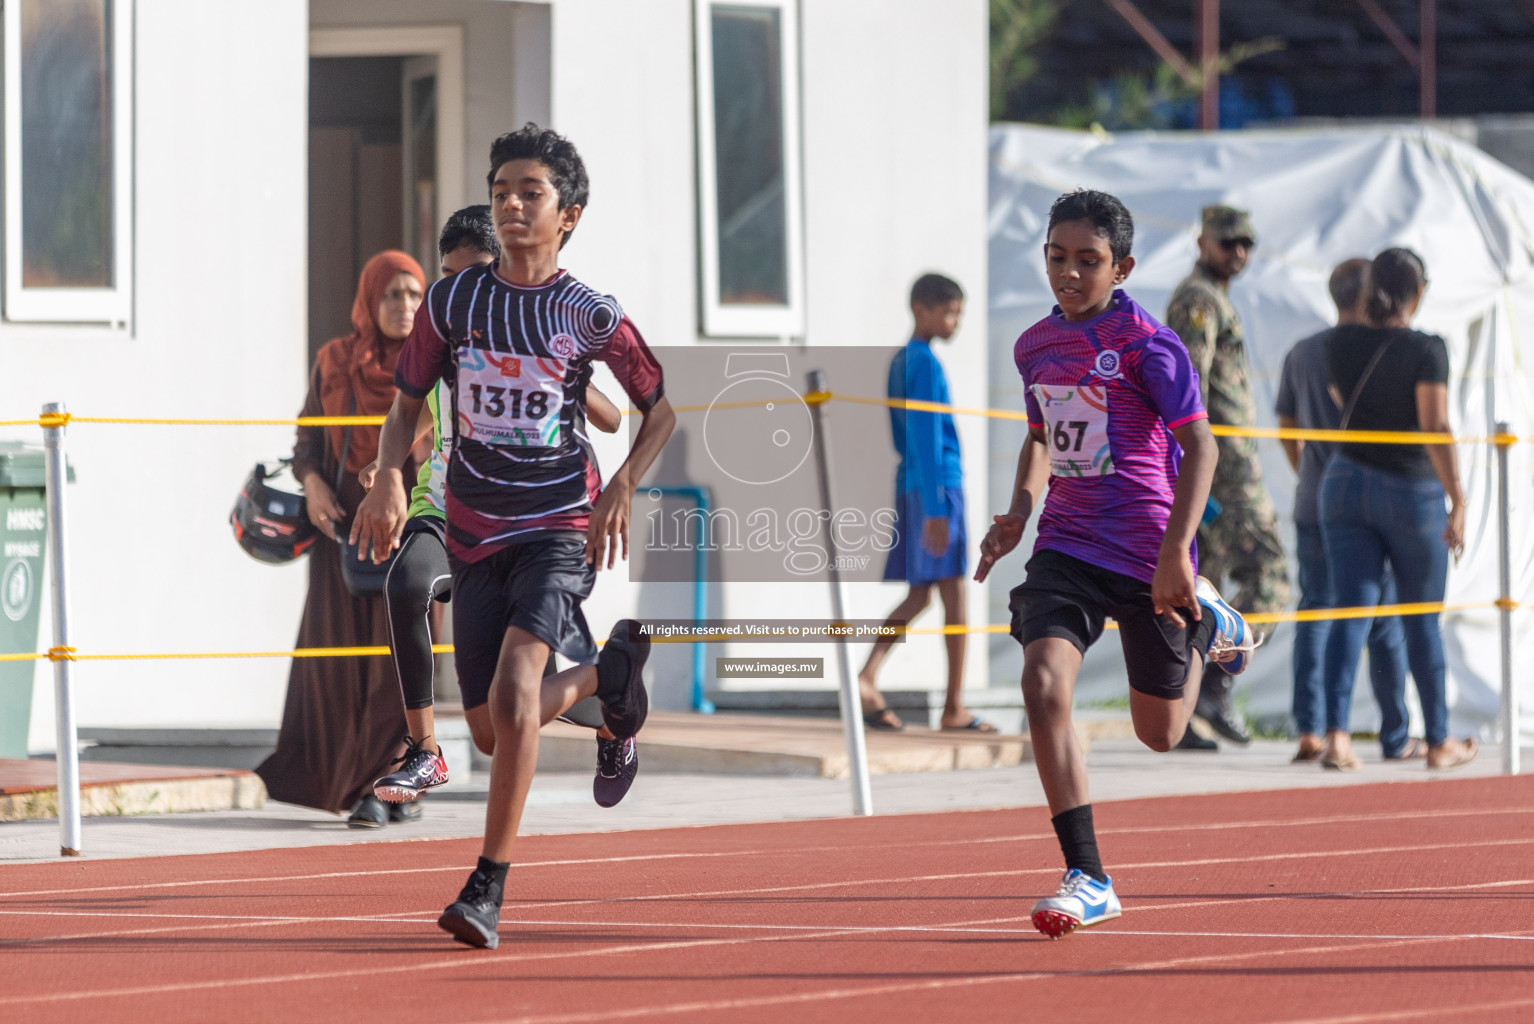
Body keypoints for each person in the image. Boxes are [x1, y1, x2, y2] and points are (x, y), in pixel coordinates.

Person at [358, 123, 675, 950]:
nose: (510, 205)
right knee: (497, 729)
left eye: (529, 193)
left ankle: (487, 886)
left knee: (514, 691)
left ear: (567, 213)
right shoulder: (453, 302)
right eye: (500, 191)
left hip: (558, 527)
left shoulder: (589, 312)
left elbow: (660, 407)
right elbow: (405, 404)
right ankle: (610, 674)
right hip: (472, 530)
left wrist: (622, 488)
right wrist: (391, 475)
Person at [976, 189, 1254, 938]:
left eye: (1088, 261)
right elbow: (1041, 438)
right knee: (1041, 682)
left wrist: (1174, 557)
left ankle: (1205, 619)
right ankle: (1088, 875)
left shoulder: (1149, 345)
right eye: (1057, 258)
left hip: (1149, 550)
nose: (1069, 273)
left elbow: (1203, 449)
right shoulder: (1033, 344)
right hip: (1066, 542)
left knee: (1160, 732)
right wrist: (1017, 514)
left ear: (1122, 266)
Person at [356, 206, 628, 811]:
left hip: (520, 523)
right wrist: (386, 474)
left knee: (522, 698)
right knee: (406, 584)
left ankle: (611, 705)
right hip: (442, 509)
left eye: (473, 274)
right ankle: (424, 748)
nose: (459, 290)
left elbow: (612, 419)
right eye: (448, 278)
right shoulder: (440, 337)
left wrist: (568, 377)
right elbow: (412, 415)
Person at [255, 250, 430, 828]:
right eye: (391, 295)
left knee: (399, 662)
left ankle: (385, 785)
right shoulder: (335, 361)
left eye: (413, 294)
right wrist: (312, 487)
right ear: (368, 301)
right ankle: (338, 778)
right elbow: (306, 441)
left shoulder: (435, 362)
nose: (404, 306)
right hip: (341, 533)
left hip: (412, 529)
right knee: (335, 663)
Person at [1317, 248, 1478, 772]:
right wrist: (1458, 497)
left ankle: (1336, 736)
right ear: (1419, 292)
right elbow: (1434, 425)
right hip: (1409, 489)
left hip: (1343, 481)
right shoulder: (1428, 349)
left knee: (1351, 610)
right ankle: (1437, 741)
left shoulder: (1339, 342)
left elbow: (1343, 398)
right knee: (1419, 617)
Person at [1164, 205, 1291, 750]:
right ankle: (1213, 684)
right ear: (1202, 242)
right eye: (1227, 243)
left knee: (1199, 589)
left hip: (1220, 462)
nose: (1237, 253)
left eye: (1245, 245)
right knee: (1270, 574)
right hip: (1223, 467)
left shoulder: (1212, 298)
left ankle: (1186, 703)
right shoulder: (1198, 300)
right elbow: (1186, 388)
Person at [1276, 259, 1411, 764]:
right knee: (1383, 618)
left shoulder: (1304, 350)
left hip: (1314, 495)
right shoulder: (1380, 349)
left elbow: (1285, 421)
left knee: (1314, 609)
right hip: (1371, 500)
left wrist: (1309, 470)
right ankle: (1394, 732)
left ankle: (1310, 728)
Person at [857, 273, 993, 733]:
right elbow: (924, 435)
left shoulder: (904, 360)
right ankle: (954, 709)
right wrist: (936, 507)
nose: (955, 322)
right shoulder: (923, 362)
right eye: (949, 312)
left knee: (921, 594)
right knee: (954, 597)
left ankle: (867, 677)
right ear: (922, 309)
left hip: (915, 485)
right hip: (935, 489)